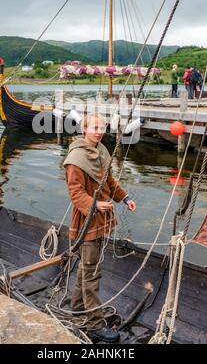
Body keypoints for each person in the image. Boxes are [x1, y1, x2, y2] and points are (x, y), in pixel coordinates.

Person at [63, 113, 136, 343]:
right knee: (92, 273)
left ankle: (77, 309)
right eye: (94, 127)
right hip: (86, 222)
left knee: (87, 269)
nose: (98, 131)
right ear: (84, 129)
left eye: (102, 127)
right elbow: (75, 193)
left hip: (102, 219)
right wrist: (94, 204)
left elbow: (109, 183)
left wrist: (125, 198)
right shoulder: (76, 159)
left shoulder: (102, 151)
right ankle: (94, 325)